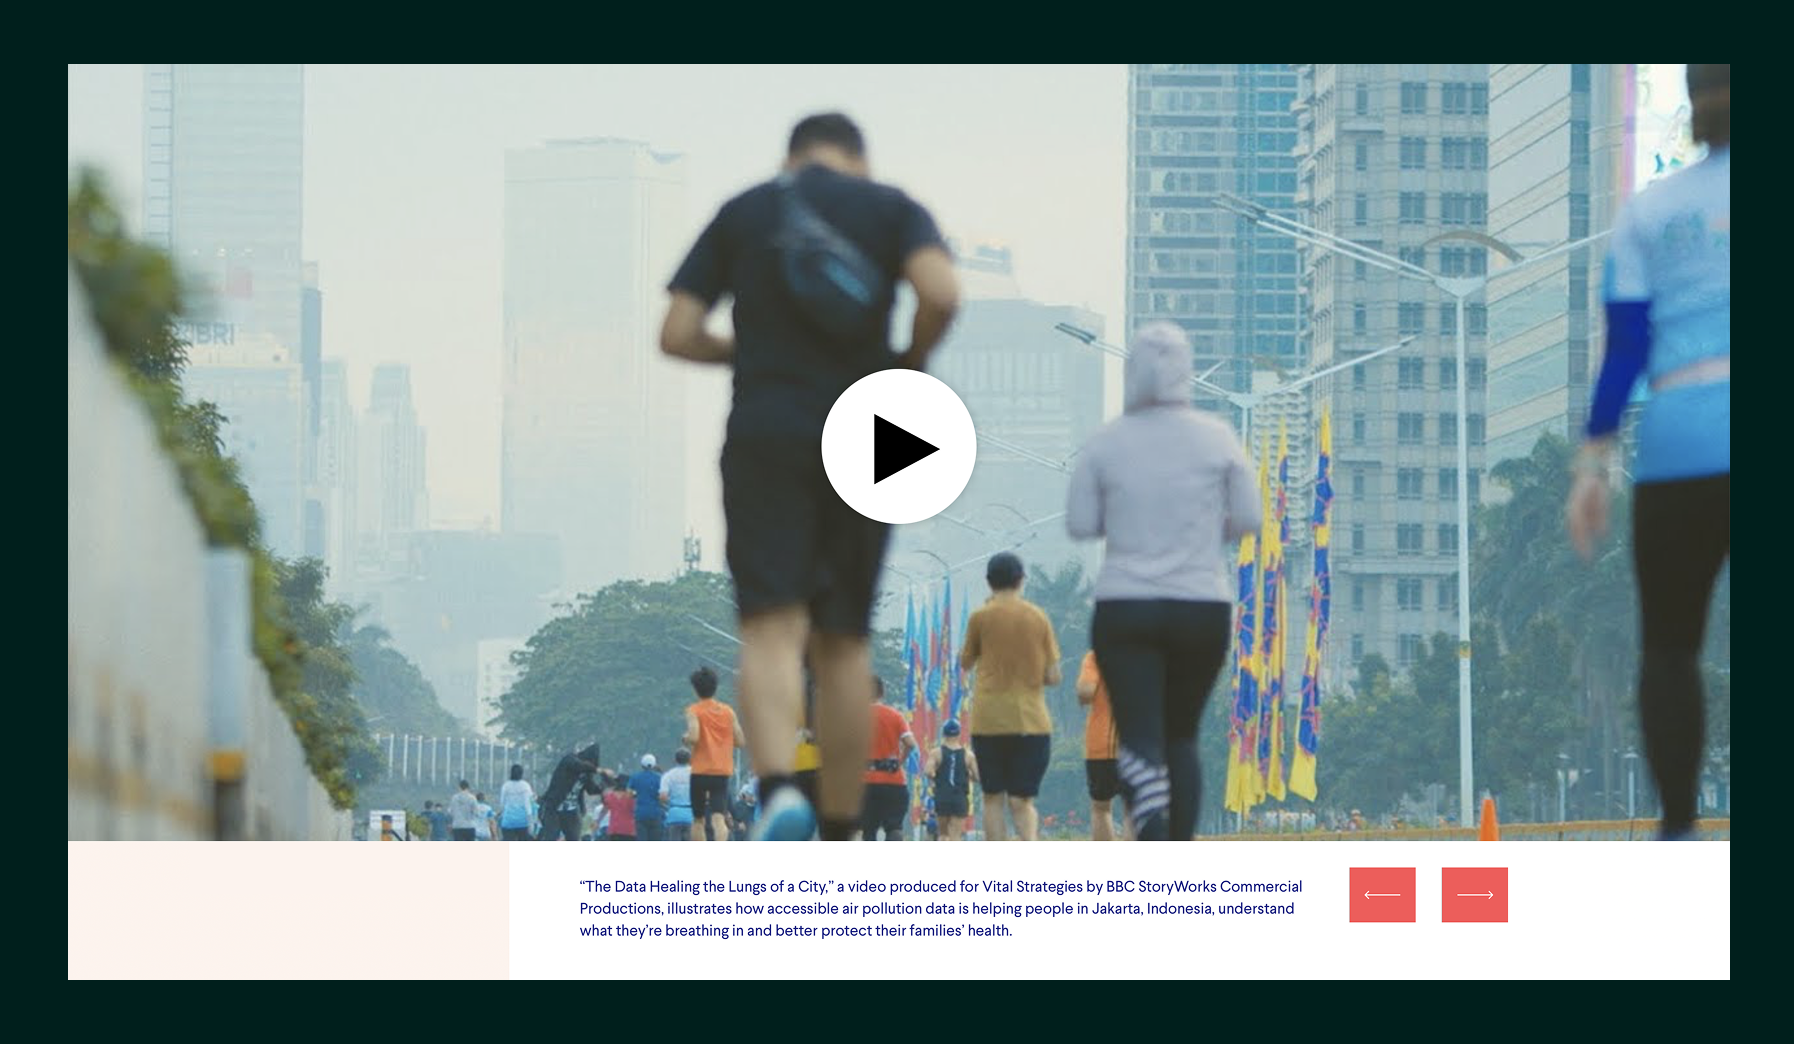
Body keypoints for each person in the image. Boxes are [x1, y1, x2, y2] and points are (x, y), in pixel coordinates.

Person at [660, 112, 959, 842]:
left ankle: (779, 795)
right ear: (859, 156)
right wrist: (905, 364)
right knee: (843, 640)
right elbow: (941, 293)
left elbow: (677, 332)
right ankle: (839, 826)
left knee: (771, 627)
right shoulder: (893, 208)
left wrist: (754, 353)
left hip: (766, 429)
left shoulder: (747, 210)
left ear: (790, 156)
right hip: (864, 424)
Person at [1567, 65, 1729, 842]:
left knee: (1669, 646)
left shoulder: (1649, 211)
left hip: (1678, 449)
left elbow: (1624, 347)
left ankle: (1677, 826)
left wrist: (1593, 468)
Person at [1067, 321, 1260, 841]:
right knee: (1182, 734)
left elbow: (1081, 524)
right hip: (1200, 606)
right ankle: (1177, 848)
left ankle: (1148, 829)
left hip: (1126, 607)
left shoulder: (1106, 442)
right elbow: (1248, 520)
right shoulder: (1217, 438)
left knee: (1139, 734)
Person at [959, 552, 1061, 841]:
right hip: (1031, 722)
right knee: (1022, 801)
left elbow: (965, 662)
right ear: (1021, 581)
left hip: (989, 721)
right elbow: (1053, 676)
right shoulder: (1037, 617)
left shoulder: (980, 617)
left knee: (993, 798)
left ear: (989, 582)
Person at [683, 666, 747, 842]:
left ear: (695, 689)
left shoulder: (694, 710)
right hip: (722, 771)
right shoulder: (728, 711)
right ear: (715, 687)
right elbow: (741, 741)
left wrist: (686, 738)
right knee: (719, 818)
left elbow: (694, 736)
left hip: (700, 771)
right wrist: (722, 740)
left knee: (698, 819)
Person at [1076, 651, 1126, 841]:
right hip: (1142, 742)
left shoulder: (1097, 656)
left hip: (1104, 744)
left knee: (1101, 808)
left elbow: (1085, 691)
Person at [861, 677, 918, 841]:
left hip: (866, 781)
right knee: (894, 828)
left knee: (868, 829)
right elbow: (910, 743)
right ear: (882, 693)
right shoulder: (895, 716)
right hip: (894, 780)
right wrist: (900, 761)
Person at [537, 744, 607, 842]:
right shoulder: (569, 760)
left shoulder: (586, 773)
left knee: (573, 839)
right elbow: (577, 766)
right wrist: (598, 770)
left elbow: (591, 790)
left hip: (571, 811)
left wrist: (604, 784)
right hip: (554, 807)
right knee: (551, 836)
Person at [925, 720, 976, 841]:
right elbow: (978, 776)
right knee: (955, 836)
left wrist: (936, 778)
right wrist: (968, 777)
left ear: (944, 734)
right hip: (959, 798)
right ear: (959, 734)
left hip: (942, 797)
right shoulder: (968, 755)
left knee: (943, 834)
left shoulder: (936, 753)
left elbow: (927, 771)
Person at [661, 749, 696, 842]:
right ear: (689, 759)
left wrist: (671, 802)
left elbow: (663, 797)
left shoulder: (669, 775)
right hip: (691, 815)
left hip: (674, 815)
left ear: (675, 760)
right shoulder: (695, 774)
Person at [631, 755, 666, 841]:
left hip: (640, 814)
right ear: (654, 765)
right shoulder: (659, 778)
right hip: (656, 813)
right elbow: (663, 795)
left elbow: (629, 793)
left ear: (642, 765)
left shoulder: (635, 777)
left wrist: (636, 794)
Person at [497, 764, 536, 840]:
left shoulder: (506, 786)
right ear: (522, 773)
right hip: (523, 822)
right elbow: (528, 805)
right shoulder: (525, 786)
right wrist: (531, 822)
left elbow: (502, 804)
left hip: (508, 822)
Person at [601, 776, 636, 841]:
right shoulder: (632, 797)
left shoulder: (610, 796)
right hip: (629, 830)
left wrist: (597, 821)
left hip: (614, 829)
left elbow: (604, 810)